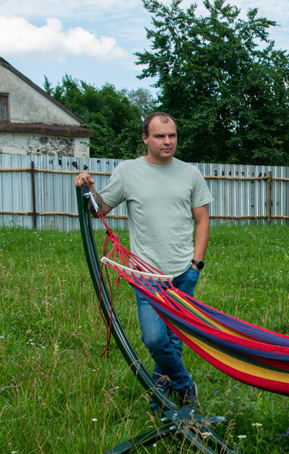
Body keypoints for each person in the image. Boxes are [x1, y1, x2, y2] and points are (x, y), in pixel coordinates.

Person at [74, 112, 212, 410]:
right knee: (153, 340)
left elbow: (202, 221)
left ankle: (160, 402)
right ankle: (186, 387)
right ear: (145, 138)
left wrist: (196, 266)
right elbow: (100, 209)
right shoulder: (128, 172)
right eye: (160, 136)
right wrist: (86, 187)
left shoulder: (190, 174)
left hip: (183, 274)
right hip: (146, 275)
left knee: (174, 342)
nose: (167, 141)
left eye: (172, 136)